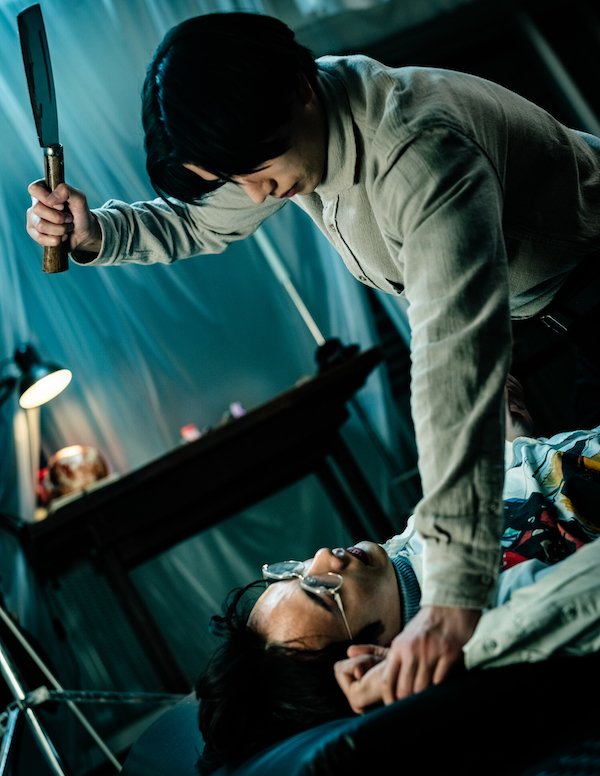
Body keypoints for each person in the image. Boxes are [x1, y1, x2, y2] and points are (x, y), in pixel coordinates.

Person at [25, 12, 600, 701]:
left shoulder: (419, 149)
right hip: (557, 312)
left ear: (300, 89)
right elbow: (200, 220)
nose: (256, 195)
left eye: (257, 171)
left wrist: (452, 601)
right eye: (233, 176)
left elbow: (453, 368)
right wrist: (96, 233)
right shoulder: (292, 133)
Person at [195, 380, 600, 771]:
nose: (322, 558)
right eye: (323, 591)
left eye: (296, 573)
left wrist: (508, 444)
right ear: (367, 661)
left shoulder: (397, 562)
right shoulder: (485, 614)